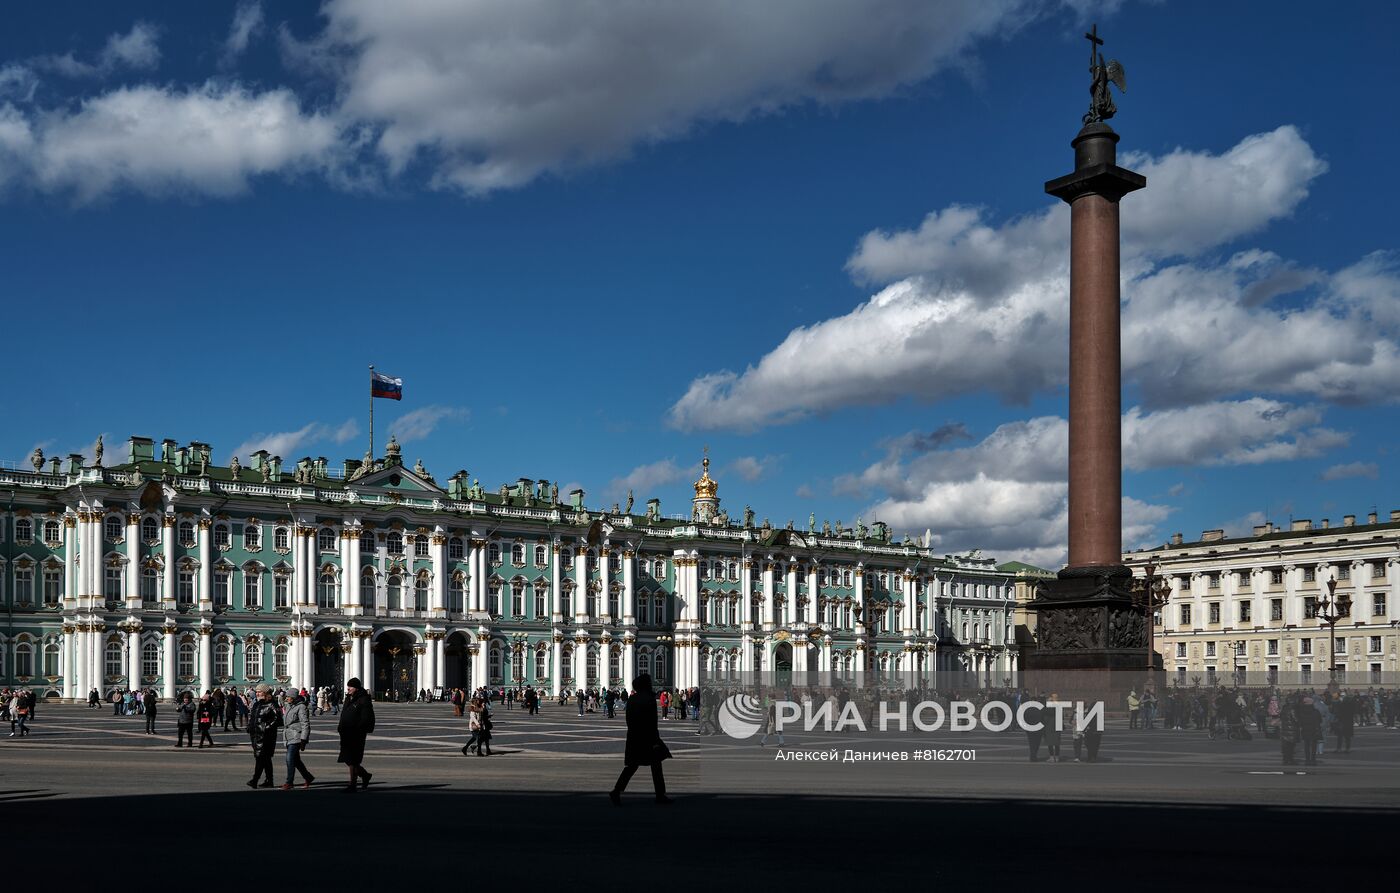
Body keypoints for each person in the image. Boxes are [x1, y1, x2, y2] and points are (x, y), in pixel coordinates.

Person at [609, 674, 671, 805]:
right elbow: (652, 722)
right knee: (656, 767)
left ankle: (616, 791)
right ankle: (660, 795)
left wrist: (633, 732)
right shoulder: (649, 699)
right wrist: (655, 741)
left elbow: (629, 719)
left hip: (634, 737)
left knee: (631, 767)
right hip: (648, 738)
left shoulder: (632, 699)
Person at [337, 677, 375, 792]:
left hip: (356, 734)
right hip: (346, 733)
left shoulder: (364, 699)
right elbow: (344, 714)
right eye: (348, 686)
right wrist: (340, 727)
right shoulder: (348, 698)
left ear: (356, 688)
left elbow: (366, 717)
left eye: (351, 687)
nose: (348, 688)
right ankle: (365, 775)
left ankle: (352, 785)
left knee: (353, 760)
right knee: (347, 759)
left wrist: (359, 729)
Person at [246, 684, 282, 789]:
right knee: (265, 759)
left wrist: (266, 727)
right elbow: (253, 717)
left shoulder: (272, 704)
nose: (257, 693)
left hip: (266, 736)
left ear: (266, 693)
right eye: (256, 692)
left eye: (260, 692)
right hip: (255, 735)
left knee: (260, 758)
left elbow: (278, 720)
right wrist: (249, 726)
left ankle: (254, 780)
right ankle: (269, 781)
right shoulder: (257, 704)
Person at [282, 688, 315, 790]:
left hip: (296, 736)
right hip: (288, 736)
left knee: (289, 758)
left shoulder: (301, 707)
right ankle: (308, 777)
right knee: (296, 760)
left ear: (293, 697)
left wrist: (304, 739)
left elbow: (305, 724)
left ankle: (289, 782)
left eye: (288, 697)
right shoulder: (289, 705)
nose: (287, 698)